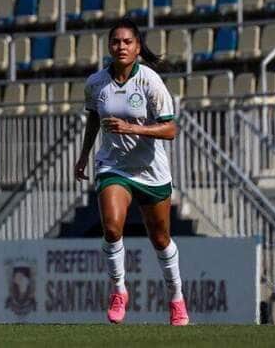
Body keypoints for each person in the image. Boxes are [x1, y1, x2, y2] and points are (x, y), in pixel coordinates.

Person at [74, 18, 189, 326]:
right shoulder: (96, 83)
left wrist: (132, 128)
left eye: (127, 42)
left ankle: (176, 298)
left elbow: (171, 129)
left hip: (151, 170)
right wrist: (85, 154)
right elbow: (93, 119)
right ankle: (118, 291)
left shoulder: (150, 81)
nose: (121, 46)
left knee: (161, 239)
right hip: (113, 165)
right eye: (116, 42)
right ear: (109, 46)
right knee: (112, 228)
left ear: (138, 47)